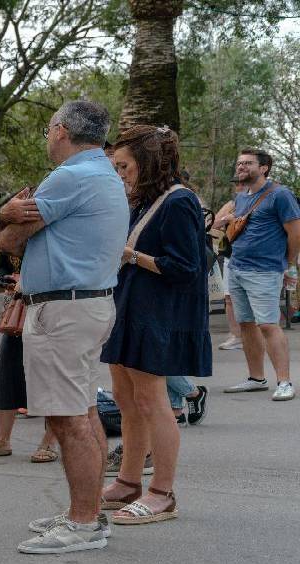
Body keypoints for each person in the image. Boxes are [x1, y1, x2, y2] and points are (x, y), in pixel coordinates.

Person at [0, 100, 130, 554]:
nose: (47, 136)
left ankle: (84, 523)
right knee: (82, 412)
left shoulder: (70, 175)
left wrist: (6, 216)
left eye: (49, 129)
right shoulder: (103, 173)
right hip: (84, 306)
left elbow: (10, 238)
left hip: (64, 310)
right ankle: (85, 511)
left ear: (61, 131)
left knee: (70, 418)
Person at [95, 125, 212, 525]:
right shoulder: (145, 200)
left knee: (152, 401)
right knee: (125, 398)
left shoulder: (179, 202)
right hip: (130, 306)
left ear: (145, 163)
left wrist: (131, 255)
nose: (120, 172)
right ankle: (129, 480)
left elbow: (187, 268)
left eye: (124, 165)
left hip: (155, 313)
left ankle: (162, 492)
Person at [221, 148, 300, 400]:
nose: (241, 167)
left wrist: (288, 265)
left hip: (264, 270)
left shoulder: (281, 194)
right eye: (239, 163)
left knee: (268, 324)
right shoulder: (243, 195)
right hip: (237, 267)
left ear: (264, 168)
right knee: (246, 325)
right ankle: (256, 378)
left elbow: (295, 233)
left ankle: (285, 382)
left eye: (247, 163)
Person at [0, 259, 59, 464]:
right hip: (18, 308)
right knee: (8, 370)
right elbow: (2, 264)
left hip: (50, 305)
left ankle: (50, 441)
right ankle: (2, 440)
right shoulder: (11, 235)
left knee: (50, 375)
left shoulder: (49, 230)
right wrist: (7, 277)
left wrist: (28, 278)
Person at [211, 182, 246, 349]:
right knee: (229, 298)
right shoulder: (232, 204)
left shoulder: (264, 201)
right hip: (231, 255)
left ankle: (255, 336)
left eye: (242, 183)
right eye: (237, 184)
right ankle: (236, 335)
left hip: (255, 258)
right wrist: (228, 218)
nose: (238, 186)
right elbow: (213, 223)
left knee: (252, 298)